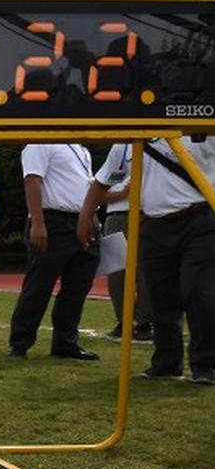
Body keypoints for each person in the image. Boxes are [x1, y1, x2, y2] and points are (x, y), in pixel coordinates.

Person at [78, 139, 215, 385]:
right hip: (154, 222)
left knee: (199, 292)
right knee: (159, 295)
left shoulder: (201, 128)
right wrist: (85, 215)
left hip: (200, 218)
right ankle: (166, 362)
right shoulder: (131, 137)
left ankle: (205, 364)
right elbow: (103, 180)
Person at [7, 143, 101, 360]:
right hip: (53, 219)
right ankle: (20, 342)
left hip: (83, 219)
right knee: (39, 284)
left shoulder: (82, 148)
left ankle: (65, 342)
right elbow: (32, 180)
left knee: (78, 286)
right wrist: (38, 222)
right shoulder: (41, 142)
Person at [98, 152, 153, 342]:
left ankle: (144, 323)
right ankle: (125, 322)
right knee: (116, 273)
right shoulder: (120, 150)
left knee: (145, 272)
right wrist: (122, 193)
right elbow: (101, 192)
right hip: (118, 215)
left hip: (146, 212)